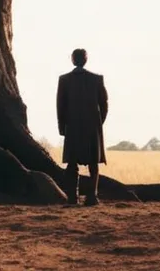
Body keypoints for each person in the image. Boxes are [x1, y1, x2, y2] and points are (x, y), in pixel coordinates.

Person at [56, 48, 108, 206]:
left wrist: (62, 127)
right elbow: (104, 104)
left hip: (72, 126)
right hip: (92, 127)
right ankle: (92, 197)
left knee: (72, 164)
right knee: (93, 163)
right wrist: (99, 122)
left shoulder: (64, 80)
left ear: (72, 59)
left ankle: (72, 197)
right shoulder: (97, 79)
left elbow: (60, 106)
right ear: (86, 59)